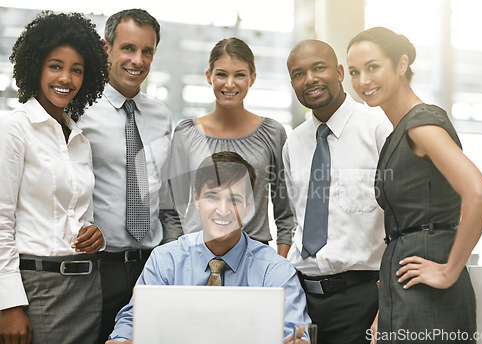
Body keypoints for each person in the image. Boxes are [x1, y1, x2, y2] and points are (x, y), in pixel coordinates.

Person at [347, 26, 482, 342]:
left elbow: (480, 194)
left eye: (373, 67)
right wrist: (382, 314)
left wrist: (448, 271)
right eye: (354, 72)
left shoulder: (421, 124)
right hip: (403, 291)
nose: (362, 81)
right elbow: (401, 233)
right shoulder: (399, 132)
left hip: (428, 293)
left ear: (401, 65)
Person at [105, 151, 311, 343]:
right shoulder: (165, 260)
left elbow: (294, 330)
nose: (223, 210)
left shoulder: (276, 270)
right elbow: (132, 320)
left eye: (234, 200)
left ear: (248, 205)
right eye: (212, 197)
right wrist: (122, 339)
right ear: (196, 198)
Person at [0, 11, 108, 344]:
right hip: (37, 291)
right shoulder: (13, 129)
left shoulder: (80, 140)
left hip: (87, 290)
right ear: (36, 67)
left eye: (77, 70)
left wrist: (93, 234)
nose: (66, 78)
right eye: (55, 66)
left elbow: (77, 215)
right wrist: (8, 305)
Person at [284, 39, 392, 344]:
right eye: (298, 73)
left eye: (319, 68)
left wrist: (389, 302)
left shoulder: (378, 130)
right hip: (302, 300)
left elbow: (399, 222)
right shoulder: (294, 142)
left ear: (340, 72)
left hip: (362, 297)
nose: (310, 79)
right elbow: (296, 219)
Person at [78, 8, 173, 344]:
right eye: (128, 48)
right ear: (107, 48)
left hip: (151, 265)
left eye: (147, 51)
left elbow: (165, 193)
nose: (138, 60)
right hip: (98, 268)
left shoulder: (161, 116)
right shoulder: (78, 110)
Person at [164, 37, 293, 257]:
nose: (230, 83)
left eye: (239, 75)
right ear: (209, 76)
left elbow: (286, 214)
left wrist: (278, 266)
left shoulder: (272, 133)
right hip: (196, 257)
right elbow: (170, 211)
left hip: (255, 260)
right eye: (222, 74)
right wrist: (180, 261)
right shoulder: (187, 133)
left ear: (252, 78)